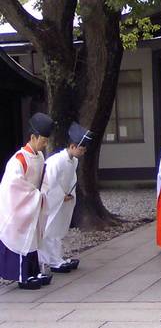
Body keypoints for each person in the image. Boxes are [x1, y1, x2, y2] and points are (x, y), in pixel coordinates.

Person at [0, 112, 54, 289]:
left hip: (32, 204)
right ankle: (23, 276)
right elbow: (13, 185)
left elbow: (44, 179)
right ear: (33, 137)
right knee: (21, 239)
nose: (45, 144)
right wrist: (35, 195)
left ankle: (32, 271)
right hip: (19, 207)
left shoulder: (39, 157)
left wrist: (42, 193)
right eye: (43, 140)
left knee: (32, 239)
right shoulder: (19, 159)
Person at [39, 122, 93, 273]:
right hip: (52, 200)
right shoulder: (56, 161)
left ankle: (56, 258)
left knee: (58, 230)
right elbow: (47, 183)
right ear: (72, 146)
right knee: (48, 230)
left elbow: (71, 180)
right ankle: (47, 260)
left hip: (63, 199)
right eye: (81, 149)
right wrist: (60, 196)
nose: (82, 152)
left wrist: (69, 193)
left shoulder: (73, 161)